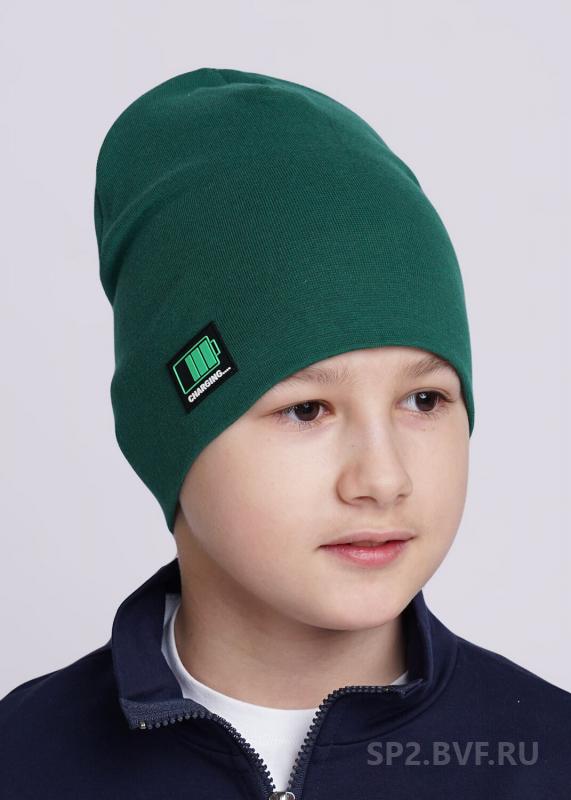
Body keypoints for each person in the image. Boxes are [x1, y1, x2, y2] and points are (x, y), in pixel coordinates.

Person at [1, 66, 569, 799]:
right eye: (306, 410)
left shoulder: (548, 760)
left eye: (423, 399)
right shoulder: (25, 761)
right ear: (168, 433)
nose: (383, 478)